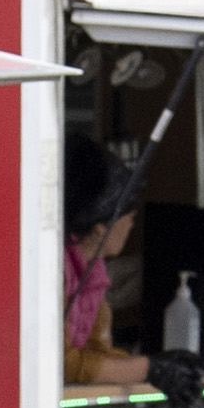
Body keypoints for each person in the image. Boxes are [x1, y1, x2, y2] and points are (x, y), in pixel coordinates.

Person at [63, 128, 152, 387]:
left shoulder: (93, 271)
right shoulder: (52, 270)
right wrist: (148, 369)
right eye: (128, 214)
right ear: (101, 224)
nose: (132, 221)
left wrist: (154, 366)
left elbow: (95, 353)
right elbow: (63, 364)